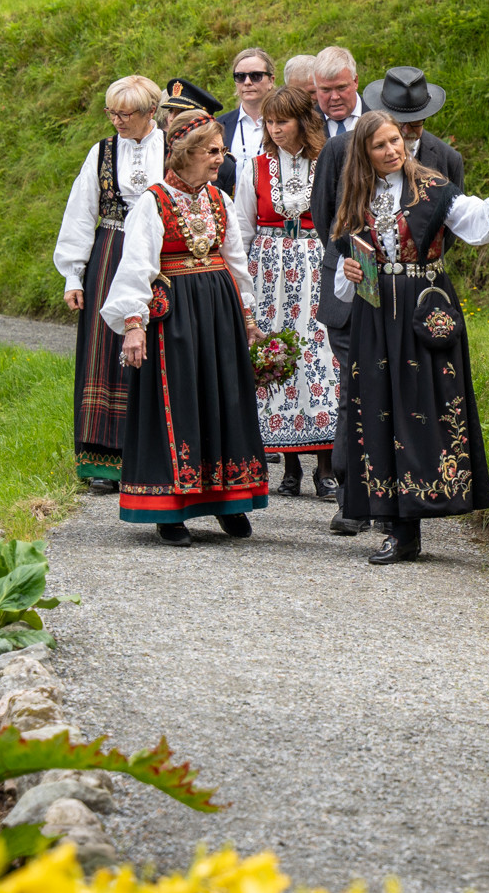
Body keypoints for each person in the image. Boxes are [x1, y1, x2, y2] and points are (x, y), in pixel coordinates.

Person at [329, 110, 489, 563]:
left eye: (395, 140)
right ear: (365, 152)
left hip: (423, 310)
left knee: (422, 409)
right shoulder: (356, 197)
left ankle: (418, 510)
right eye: (380, 145)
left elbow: (472, 219)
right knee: (379, 409)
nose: (392, 150)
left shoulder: (431, 187)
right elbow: (344, 269)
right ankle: (396, 527)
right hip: (374, 317)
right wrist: (350, 271)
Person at [100, 110, 270, 546]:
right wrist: (133, 324)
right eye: (212, 151)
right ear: (185, 153)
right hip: (175, 314)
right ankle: (170, 509)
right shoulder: (151, 203)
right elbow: (136, 266)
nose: (220, 158)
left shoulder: (219, 200)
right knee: (180, 403)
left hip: (218, 310)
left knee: (224, 399)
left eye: (221, 150)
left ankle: (230, 500)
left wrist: (247, 317)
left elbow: (235, 260)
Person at [311, 65, 463, 530]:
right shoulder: (341, 149)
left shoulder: (445, 159)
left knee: (415, 398)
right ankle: (355, 499)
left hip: (415, 298)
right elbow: (326, 217)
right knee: (360, 395)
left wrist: (412, 271)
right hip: (358, 291)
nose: (407, 132)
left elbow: (450, 226)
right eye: (400, 121)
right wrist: (358, 265)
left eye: (416, 121)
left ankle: (407, 501)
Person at [53, 75, 167, 493]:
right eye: (112, 112)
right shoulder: (100, 153)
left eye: (127, 114)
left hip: (159, 252)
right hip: (111, 252)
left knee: (157, 349)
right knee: (105, 350)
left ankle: (153, 452)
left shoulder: (171, 148)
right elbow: (81, 212)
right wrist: (72, 273)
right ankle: (105, 461)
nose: (117, 121)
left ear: (151, 112)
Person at [245, 85, 337, 497]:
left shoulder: (329, 162)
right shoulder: (257, 166)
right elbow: (243, 228)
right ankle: (290, 468)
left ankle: (326, 468)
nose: (275, 129)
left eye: (282, 120)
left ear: (304, 121)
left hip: (316, 264)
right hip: (268, 270)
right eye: (269, 121)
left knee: (321, 355)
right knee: (275, 354)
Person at [216, 48, 273, 214]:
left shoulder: (287, 124)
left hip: (272, 216)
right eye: (240, 77)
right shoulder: (220, 125)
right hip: (229, 214)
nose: (247, 82)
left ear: (271, 80)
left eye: (255, 76)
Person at [312, 46, 360, 139]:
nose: (334, 97)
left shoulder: (382, 117)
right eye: (326, 90)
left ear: (355, 81)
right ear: (316, 87)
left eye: (341, 87)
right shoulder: (305, 125)